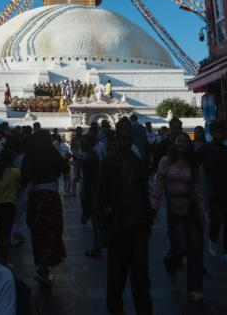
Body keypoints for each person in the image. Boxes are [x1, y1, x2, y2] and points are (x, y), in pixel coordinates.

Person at [97, 117, 153, 315]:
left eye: (129, 137)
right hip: (118, 226)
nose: (126, 141)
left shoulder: (137, 161)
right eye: (123, 137)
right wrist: (106, 223)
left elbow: (143, 191)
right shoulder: (109, 162)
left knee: (141, 277)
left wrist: (147, 219)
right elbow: (102, 196)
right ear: (117, 138)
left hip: (137, 225)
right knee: (116, 277)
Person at [151, 131, 206, 302]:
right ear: (174, 143)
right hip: (173, 206)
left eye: (185, 141)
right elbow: (159, 182)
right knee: (180, 244)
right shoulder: (166, 162)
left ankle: (195, 286)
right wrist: (154, 203)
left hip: (190, 205)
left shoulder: (192, 163)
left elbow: (196, 187)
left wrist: (202, 209)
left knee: (195, 247)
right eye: (179, 140)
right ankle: (171, 262)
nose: (182, 144)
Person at [21, 129, 69, 286]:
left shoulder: (30, 154)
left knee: (37, 231)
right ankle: (45, 266)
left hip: (35, 197)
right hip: (50, 196)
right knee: (52, 230)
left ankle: (42, 266)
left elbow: (24, 176)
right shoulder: (51, 152)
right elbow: (65, 168)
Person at [197, 121, 227, 267]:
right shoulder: (204, 150)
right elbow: (194, 166)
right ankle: (212, 240)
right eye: (217, 132)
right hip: (213, 191)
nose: (220, 134)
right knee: (216, 220)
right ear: (212, 132)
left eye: (222, 132)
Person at [0, 149, 21, 266]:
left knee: (0, 234)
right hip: (10, 205)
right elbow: (22, 185)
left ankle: (0, 258)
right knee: (7, 234)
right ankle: (5, 260)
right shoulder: (16, 172)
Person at [79, 134, 105, 258]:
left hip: (95, 190)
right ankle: (99, 245)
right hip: (94, 189)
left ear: (90, 143)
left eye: (84, 142)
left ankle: (98, 246)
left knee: (97, 220)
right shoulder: (91, 153)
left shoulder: (92, 154)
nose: (81, 144)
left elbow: (86, 162)